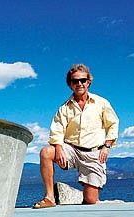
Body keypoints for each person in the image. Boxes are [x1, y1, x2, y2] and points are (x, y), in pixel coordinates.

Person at [33, 64, 119, 208]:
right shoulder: (64, 108)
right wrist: (58, 147)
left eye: (83, 80)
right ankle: (50, 198)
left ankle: (83, 192)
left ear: (88, 82)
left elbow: (113, 124)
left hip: (94, 153)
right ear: (70, 84)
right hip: (71, 150)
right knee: (46, 152)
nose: (79, 83)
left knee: (91, 200)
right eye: (75, 81)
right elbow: (57, 129)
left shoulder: (101, 103)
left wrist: (107, 146)